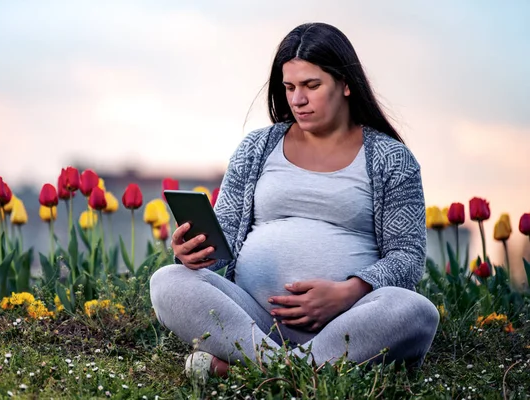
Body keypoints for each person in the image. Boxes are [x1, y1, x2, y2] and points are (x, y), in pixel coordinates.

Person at [150, 22, 439, 380]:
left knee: (416, 311)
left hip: (348, 321)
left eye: (311, 86)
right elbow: (221, 243)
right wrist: (191, 252)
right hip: (251, 319)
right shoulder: (257, 148)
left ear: (346, 84)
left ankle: (248, 369)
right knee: (167, 281)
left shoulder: (391, 159)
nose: (297, 99)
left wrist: (348, 292)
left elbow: (407, 259)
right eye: (289, 87)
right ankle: (296, 371)